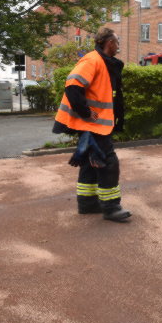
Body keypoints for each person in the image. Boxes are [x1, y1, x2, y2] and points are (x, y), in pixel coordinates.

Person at [53, 27, 131, 222]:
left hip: (95, 125)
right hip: (94, 125)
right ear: (109, 43)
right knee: (108, 162)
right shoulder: (92, 60)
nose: (118, 45)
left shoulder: (102, 62)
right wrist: (87, 113)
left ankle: (87, 204)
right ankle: (111, 208)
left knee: (90, 162)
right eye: (117, 41)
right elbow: (72, 86)